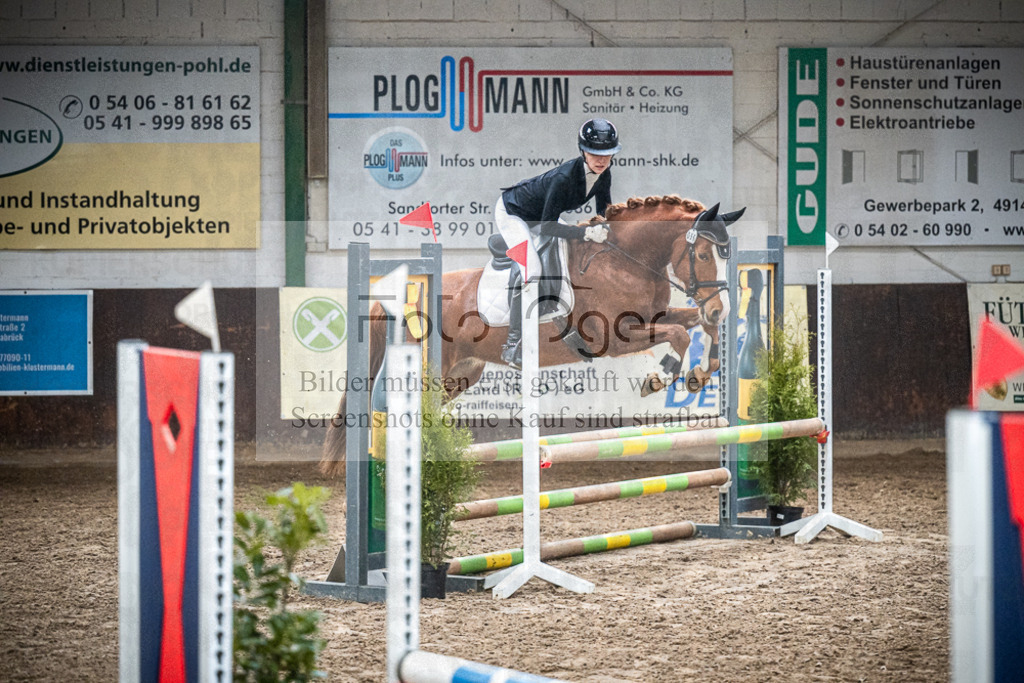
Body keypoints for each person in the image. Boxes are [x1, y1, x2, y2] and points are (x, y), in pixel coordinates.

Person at [495, 118, 621, 368]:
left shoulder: (604, 174)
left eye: (607, 154)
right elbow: (549, 226)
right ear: (583, 151)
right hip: (514, 214)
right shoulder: (564, 178)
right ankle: (511, 344)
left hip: (542, 215)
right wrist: (585, 234)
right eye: (595, 153)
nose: (601, 160)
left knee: (568, 258)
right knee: (531, 269)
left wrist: (609, 232)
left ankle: (569, 328)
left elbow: (603, 215)